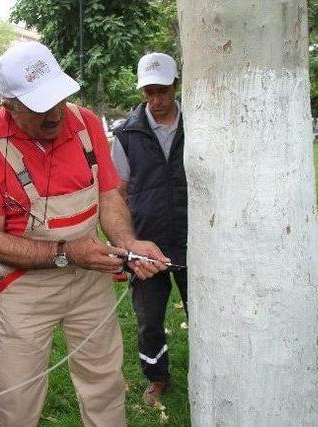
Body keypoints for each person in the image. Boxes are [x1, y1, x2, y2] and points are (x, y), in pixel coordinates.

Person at [0, 41, 169, 427]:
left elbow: (109, 194)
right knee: (15, 395)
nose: (56, 112)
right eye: (41, 105)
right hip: (26, 287)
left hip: (91, 278)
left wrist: (128, 242)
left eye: (59, 97)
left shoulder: (86, 122)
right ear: (10, 105)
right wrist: (67, 252)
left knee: (104, 384)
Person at [110, 52, 188, 407]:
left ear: (176, 85)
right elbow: (117, 193)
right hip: (147, 244)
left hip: (195, 241)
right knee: (149, 321)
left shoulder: (199, 124)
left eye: (162, 91)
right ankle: (156, 377)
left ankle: (210, 366)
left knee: (204, 311)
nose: (156, 100)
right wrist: (127, 247)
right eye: (148, 92)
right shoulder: (127, 134)